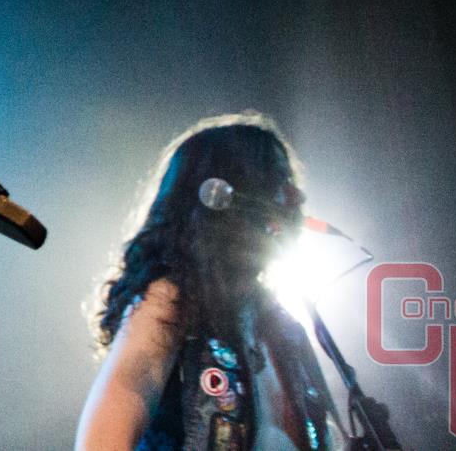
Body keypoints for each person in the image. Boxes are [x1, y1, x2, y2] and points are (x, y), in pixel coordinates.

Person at [76, 115, 341, 451]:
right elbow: (101, 441)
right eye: (279, 179)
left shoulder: (285, 329)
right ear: (226, 196)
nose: (297, 196)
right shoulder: (171, 301)